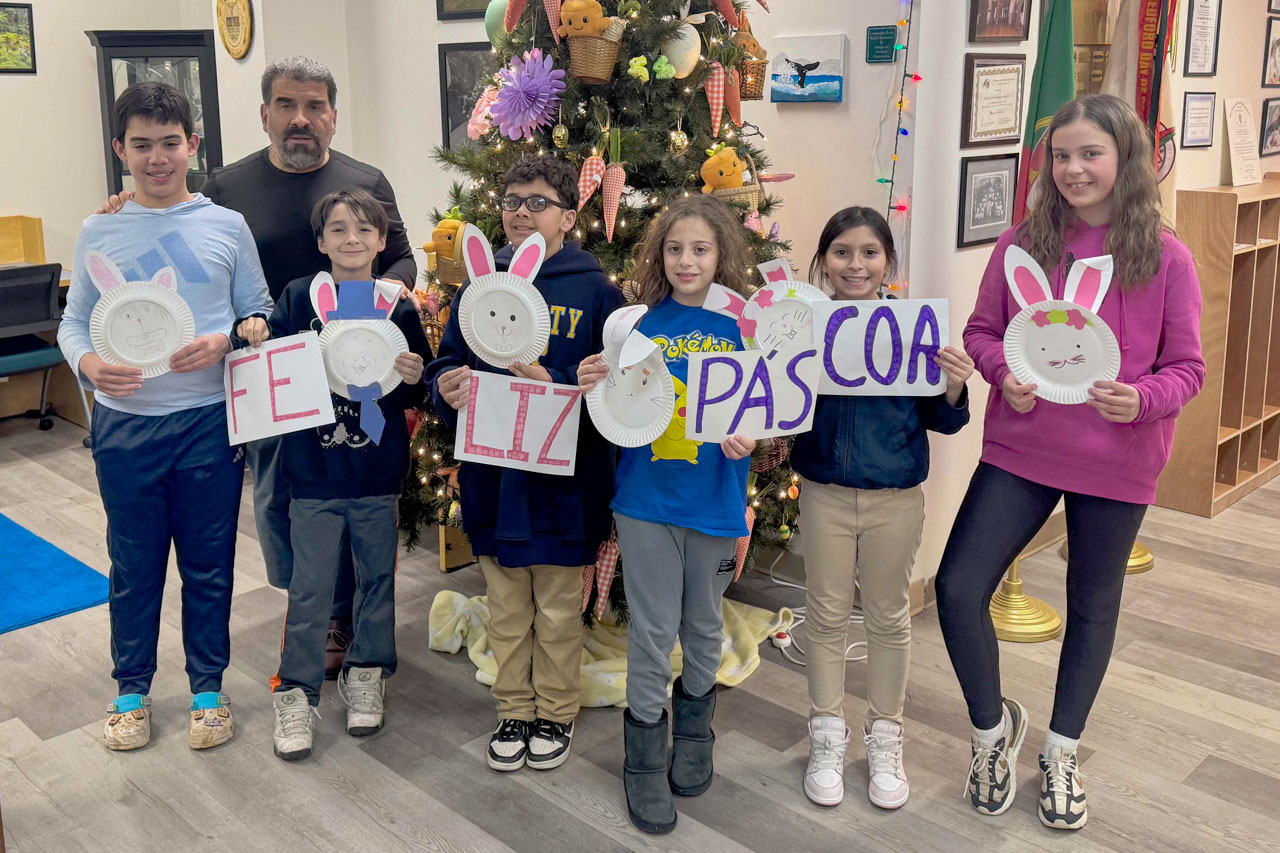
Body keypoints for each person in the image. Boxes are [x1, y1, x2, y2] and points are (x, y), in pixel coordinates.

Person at [99, 56, 419, 680]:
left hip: (356, 373)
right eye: (287, 106)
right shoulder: (228, 185)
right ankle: (310, 602)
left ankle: (343, 618)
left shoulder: (367, 180)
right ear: (265, 114)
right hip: (269, 374)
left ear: (332, 116)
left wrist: (388, 296)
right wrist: (124, 207)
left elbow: (402, 259)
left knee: (353, 489)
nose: (301, 118)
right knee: (280, 500)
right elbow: (182, 226)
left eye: (314, 106)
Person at [935, 93, 1205, 831]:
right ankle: (991, 734)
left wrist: (1142, 399)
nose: (1074, 169)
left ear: (1126, 159)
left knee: (1092, 604)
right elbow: (983, 331)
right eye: (1061, 155)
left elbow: (1188, 368)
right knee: (957, 588)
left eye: (1091, 154)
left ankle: (1061, 751)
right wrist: (1002, 373)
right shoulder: (1022, 244)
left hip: (1118, 459)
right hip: (1023, 448)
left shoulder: (1167, 257)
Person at [58, 81, 273, 751]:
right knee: (134, 563)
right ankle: (131, 690)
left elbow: (259, 311)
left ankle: (208, 689)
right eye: (142, 145)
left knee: (209, 563)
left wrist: (228, 339)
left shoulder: (226, 226)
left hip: (207, 419)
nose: (158, 158)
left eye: (170, 143)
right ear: (120, 149)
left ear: (193, 145)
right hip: (125, 424)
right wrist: (90, 367)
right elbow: (72, 323)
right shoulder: (99, 229)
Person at [426, 155, 624, 773]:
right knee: (507, 609)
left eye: (538, 202)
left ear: (568, 216)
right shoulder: (477, 289)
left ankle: (556, 710)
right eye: (511, 200)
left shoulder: (596, 293)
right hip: (494, 482)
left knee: (560, 611)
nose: (520, 212)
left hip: (565, 486)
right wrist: (445, 386)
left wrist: (556, 382)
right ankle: (513, 707)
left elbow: (617, 386)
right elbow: (447, 362)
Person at [577, 195, 755, 835]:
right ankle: (644, 758)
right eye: (675, 248)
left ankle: (696, 735)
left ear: (721, 254)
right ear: (659, 254)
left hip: (715, 501)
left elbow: (768, 404)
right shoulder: (636, 326)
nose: (686, 261)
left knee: (703, 624)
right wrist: (591, 378)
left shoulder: (744, 327)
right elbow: (610, 403)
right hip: (645, 502)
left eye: (700, 249)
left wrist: (753, 435)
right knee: (652, 630)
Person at [234, 189, 429, 760]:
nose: (352, 239)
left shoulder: (397, 307)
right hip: (313, 475)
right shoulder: (300, 297)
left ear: (382, 240)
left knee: (377, 580)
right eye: (339, 229)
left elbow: (416, 389)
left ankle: (367, 671)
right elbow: (269, 363)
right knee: (311, 587)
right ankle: (295, 691)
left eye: (365, 229)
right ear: (321, 242)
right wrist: (254, 331)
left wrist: (415, 374)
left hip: (376, 475)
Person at [791, 207, 972, 810]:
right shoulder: (805, 328)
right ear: (823, 261)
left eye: (869, 252)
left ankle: (886, 735)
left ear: (888, 261)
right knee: (825, 613)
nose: (856, 265)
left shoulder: (911, 330)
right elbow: (781, 403)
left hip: (895, 497)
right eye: (841, 252)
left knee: (889, 616)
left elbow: (944, 420)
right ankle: (826, 733)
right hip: (824, 492)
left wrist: (953, 385)